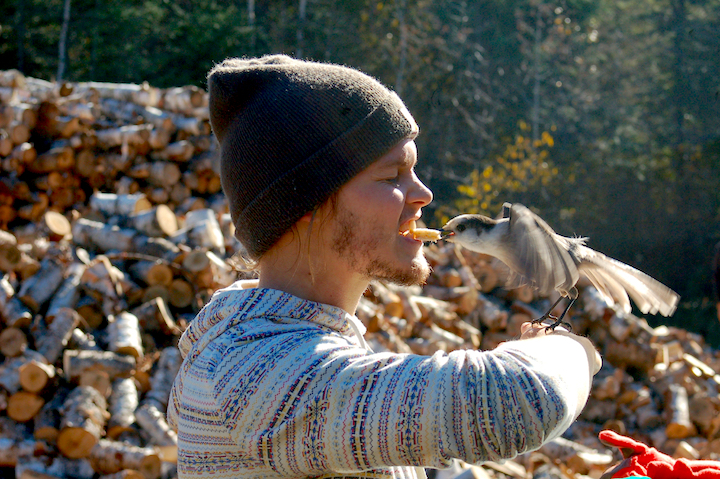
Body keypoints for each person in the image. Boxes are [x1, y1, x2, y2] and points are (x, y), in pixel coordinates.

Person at [167, 54, 602, 479]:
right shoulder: (250, 368)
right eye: (393, 175)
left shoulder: (308, 347)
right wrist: (572, 351)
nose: (423, 194)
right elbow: (511, 404)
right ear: (307, 203)